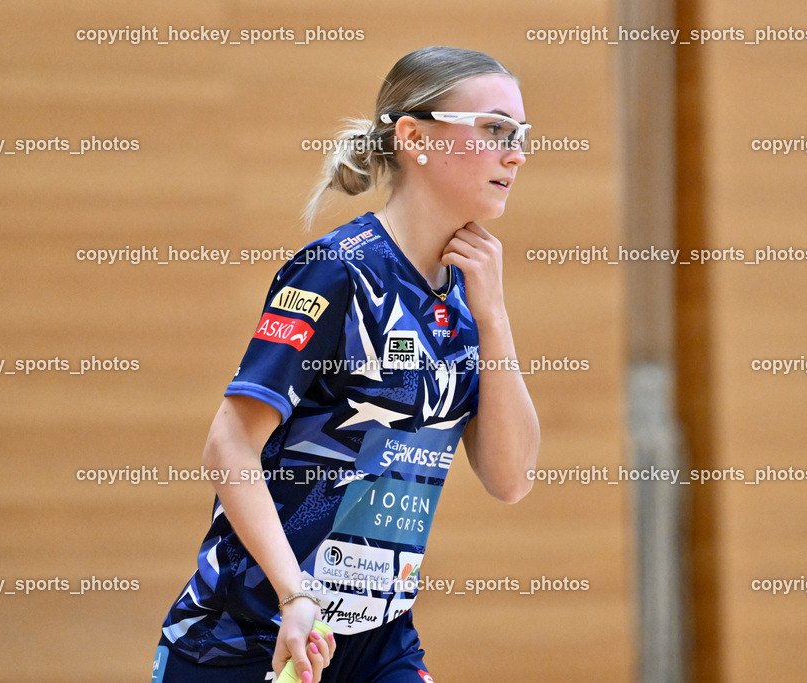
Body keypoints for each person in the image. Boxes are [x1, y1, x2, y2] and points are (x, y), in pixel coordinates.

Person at [153, 45, 540, 683]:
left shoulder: (470, 295)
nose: (516, 153)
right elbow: (228, 445)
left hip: (379, 639)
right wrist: (294, 595)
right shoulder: (337, 271)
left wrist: (495, 319)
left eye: (520, 134)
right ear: (415, 138)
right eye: (495, 129)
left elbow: (511, 479)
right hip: (253, 635)